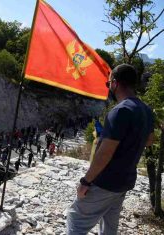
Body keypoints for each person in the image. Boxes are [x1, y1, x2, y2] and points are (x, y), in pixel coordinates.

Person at [66, 64, 155, 235]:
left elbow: (105, 153)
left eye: (109, 84)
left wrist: (85, 182)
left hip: (105, 181)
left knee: (76, 220)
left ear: (114, 83)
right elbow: (150, 140)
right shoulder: (146, 110)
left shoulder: (120, 110)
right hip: (125, 181)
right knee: (109, 227)